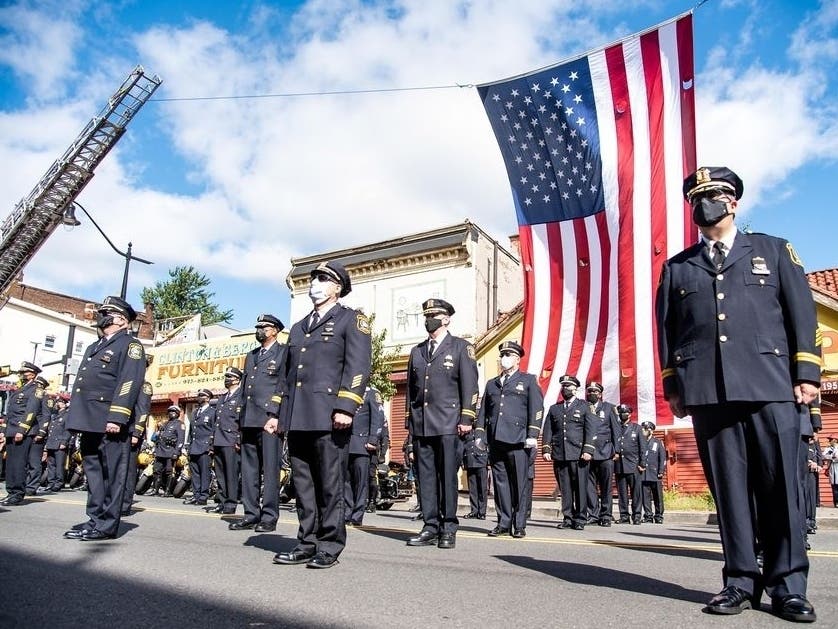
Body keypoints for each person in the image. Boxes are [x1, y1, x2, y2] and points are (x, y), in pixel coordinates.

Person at [656, 166, 821, 621]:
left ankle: (788, 586)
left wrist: (805, 372)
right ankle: (740, 581)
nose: (704, 205)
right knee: (729, 492)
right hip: (709, 391)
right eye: (697, 199)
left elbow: (801, 313)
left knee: (781, 488)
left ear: (733, 202)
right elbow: (668, 333)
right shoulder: (678, 267)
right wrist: (675, 385)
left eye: (714, 195)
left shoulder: (772, 249)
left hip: (771, 384)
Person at [268, 261, 371, 568]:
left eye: (323, 279)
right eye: (314, 278)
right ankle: (306, 541)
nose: (315, 283)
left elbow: (358, 367)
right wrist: (276, 412)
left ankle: (329, 545)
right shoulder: (299, 327)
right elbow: (286, 377)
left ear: (337, 287)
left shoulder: (351, 320)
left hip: (330, 416)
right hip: (299, 416)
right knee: (303, 485)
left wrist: (346, 406)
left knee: (329, 484)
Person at [63, 296, 146, 541]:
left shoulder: (130, 345)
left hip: (110, 420)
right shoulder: (95, 346)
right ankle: (94, 519)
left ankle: (107, 525)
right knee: (93, 471)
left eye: (107, 312)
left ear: (121, 319)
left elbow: (128, 383)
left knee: (111, 474)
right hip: (90, 419)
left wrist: (117, 417)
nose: (101, 316)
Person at [405, 298, 479, 550]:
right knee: (425, 478)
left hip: (449, 424)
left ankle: (448, 527)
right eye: (427, 315)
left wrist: (467, 418)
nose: (429, 319)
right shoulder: (417, 351)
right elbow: (411, 394)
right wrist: (410, 425)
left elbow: (470, 386)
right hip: (423, 424)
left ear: (446, 318)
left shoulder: (461, 347)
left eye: (434, 315)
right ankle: (430, 525)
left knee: (447, 477)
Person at [476, 341, 543, 537]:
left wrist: (533, 434)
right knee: (500, 483)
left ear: (517, 359)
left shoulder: (528, 380)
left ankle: (519, 524)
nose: (504, 359)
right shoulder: (492, 383)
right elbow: (483, 412)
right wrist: (480, 434)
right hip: (496, 440)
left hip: (518, 440)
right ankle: (503, 522)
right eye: (502, 355)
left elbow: (537, 408)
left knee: (520, 484)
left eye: (508, 355)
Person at [230, 314, 286, 532]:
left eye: (264, 327)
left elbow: (282, 385)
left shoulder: (283, 353)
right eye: (258, 327)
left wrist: (275, 414)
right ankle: (251, 514)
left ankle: (269, 516)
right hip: (248, 419)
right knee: (249, 470)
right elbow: (245, 390)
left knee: (271, 471)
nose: (259, 330)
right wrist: (238, 420)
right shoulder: (251, 356)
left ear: (274, 330)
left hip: (268, 420)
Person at [542, 375, 597, 530]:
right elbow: (548, 430)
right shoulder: (555, 408)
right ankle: (568, 518)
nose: (564, 389)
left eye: (568, 386)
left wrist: (588, 449)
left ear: (575, 389)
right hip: (560, 454)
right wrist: (546, 448)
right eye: (563, 386)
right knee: (565, 489)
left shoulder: (585, 406)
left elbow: (591, 429)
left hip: (578, 454)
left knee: (580, 487)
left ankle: (580, 518)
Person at [1, 362, 44, 506]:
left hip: (22, 431)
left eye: (24, 372)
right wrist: (3, 431)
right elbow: (11, 412)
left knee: (19, 464)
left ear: (32, 373)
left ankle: (17, 494)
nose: (21, 374)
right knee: (11, 463)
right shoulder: (20, 389)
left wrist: (22, 430)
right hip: (11, 431)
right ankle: (11, 491)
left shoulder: (36, 389)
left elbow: (31, 411)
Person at [345, 386, 384, 526]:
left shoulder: (372, 393)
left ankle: (357, 515)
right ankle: (347, 512)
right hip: (345, 443)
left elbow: (378, 416)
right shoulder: (348, 389)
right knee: (346, 481)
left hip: (362, 444)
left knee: (361, 482)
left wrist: (373, 439)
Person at [584, 381, 620, 527]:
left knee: (606, 486)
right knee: (589, 486)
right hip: (588, 453)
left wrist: (617, 450)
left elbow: (616, 430)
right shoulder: (583, 407)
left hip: (605, 452)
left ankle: (606, 515)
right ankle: (593, 514)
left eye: (595, 391)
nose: (592, 393)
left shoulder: (609, 408)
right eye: (590, 391)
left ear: (600, 394)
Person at [210, 366, 243, 515]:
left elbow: (240, 420)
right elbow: (216, 421)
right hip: (219, 439)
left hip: (231, 440)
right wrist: (212, 442)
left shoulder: (241, 396)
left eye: (230, 377)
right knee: (221, 473)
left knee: (231, 474)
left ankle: (231, 504)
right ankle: (222, 501)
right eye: (226, 377)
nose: (227, 379)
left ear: (237, 379)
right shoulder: (222, 398)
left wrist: (238, 439)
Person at [122, 356, 153, 516]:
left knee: (128, 469)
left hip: (132, 432)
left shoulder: (144, 386)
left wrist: (137, 432)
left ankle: (125, 504)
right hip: (120, 431)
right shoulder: (126, 382)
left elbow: (143, 411)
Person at [613, 404, 647, 525]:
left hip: (633, 465)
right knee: (622, 494)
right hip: (619, 466)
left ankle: (637, 515)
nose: (623, 414)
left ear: (630, 414)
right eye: (621, 412)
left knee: (636, 493)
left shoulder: (636, 428)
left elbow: (643, 447)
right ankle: (624, 516)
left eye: (626, 412)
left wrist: (642, 463)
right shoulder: (615, 427)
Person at [185, 388, 215, 506]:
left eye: (202, 395)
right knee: (195, 473)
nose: (199, 397)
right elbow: (191, 431)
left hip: (205, 447)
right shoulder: (195, 412)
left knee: (204, 473)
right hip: (194, 447)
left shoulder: (213, 412)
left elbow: (214, 430)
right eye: (198, 395)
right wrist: (188, 446)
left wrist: (212, 447)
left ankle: (203, 496)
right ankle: (196, 495)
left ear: (207, 398)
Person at [26, 375, 53, 495]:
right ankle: (25, 483)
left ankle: (31, 487)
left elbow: (46, 416)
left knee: (34, 462)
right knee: (25, 461)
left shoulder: (46, 398)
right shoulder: (33, 396)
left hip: (37, 433)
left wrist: (42, 432)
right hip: (29, 431)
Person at [153, 406, 185, 496]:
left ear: (178, 414)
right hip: (160, 450)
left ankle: (167, 491)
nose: (171, 413)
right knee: (156, 470)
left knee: (169, 472)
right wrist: (155, 449)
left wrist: (176, 452)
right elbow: (158, 437)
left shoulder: (180, 424)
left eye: (174, 412)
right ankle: (155, 490)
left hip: (170, 451)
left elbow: (180, 439)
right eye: (170, 412)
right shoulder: (165, 424)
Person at [640, 421, 666, 523]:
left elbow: (662, 457)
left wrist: (661, 470)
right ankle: (648, 516)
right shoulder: (640, 442)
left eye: (645, 429)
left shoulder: (658, 442)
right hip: (644, 474)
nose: (644, 431)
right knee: (645, 496)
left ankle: (659, 516)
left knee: (657, 496)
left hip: (655, 473)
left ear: (651, 430)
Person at [461, 428, 488, 522]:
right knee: (472, 489)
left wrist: (489, 461)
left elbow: (488, 445)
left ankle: (482, 512)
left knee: (482, 488)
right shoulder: (467, 431)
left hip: (481, 460)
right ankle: (474, 510)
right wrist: (462, 461)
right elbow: (463, 446)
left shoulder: (483, 431)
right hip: (470, 460)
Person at [45, 398, 71, 492]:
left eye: (60, 402)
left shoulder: (67, 415)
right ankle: (51, 483)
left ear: (64, 404)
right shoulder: (54, 415)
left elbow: (68, 429)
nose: (58, 403)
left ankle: (59, 483)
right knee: (51, 464)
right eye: (58, 402)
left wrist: (64, 442)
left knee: (60, 465)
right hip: (51, 442)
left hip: (60, 443)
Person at [823, 435, 838, 509]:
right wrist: (832, 457)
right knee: (834, 487)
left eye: (831, 439)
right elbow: (823, 456)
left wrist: (834, 457)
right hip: (832, 468)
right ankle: (836, 502)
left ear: (835, 440)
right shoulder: (828, 448)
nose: (829, 441)